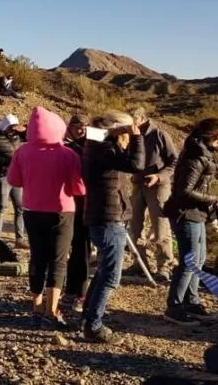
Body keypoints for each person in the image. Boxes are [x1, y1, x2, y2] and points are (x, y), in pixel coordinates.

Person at [163, 118, 218, 326]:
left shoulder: (204, 148)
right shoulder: (196, 156)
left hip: (198, 213)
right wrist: (215, 199)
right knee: (189, 261)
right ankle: (174, 307)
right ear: (216, 137)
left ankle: (191, 302)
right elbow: (184, 190)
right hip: (187, 214)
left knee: (199, 261)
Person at [7, 107, 86, 328]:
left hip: (32, 212)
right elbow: (79, 189)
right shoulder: (67, 154)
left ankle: (37, 307)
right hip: (61, 212)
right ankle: (52, 312)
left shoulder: (22, 152)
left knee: (37, 259)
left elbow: (14, 180)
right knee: (58, 261)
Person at [80, 112, 145, 344]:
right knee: (110, 277)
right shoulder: (103, 149)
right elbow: (137, 164)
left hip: (104, 217)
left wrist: (120, 132)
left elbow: (92, 133)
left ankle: (88, 318)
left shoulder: (98, 145)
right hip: (108, 218)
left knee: (103, 271)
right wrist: (136, 138)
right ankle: (93, 326)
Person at [124, 107, 179, 283]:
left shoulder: (160, 135)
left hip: (159, 187)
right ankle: (140, 265)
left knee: (160, 227)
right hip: (137, 184)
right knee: (135, 226)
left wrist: (159, 176)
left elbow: (174, 161)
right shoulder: (129, 135)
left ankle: (164, 267)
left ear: (141, 120)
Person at [60, 114, 90, 314]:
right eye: (76, 126)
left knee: (82, 248)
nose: (81, 130)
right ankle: (75, 291)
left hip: (88, 202)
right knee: (78, 247)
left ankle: (77, 290)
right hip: (73, 203)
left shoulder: (90, 142)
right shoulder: (66, 147)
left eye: (84, 126)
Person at [0, 114, 28, 248]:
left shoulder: (17, 135)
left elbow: (32, 136)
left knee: (20, 207)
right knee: (2, 206)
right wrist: (14, 161)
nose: (13, 128)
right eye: (11, 126)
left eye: (14, 126)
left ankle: (19, 239)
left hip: (16, 175)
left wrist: (25, 129)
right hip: (2, 176)